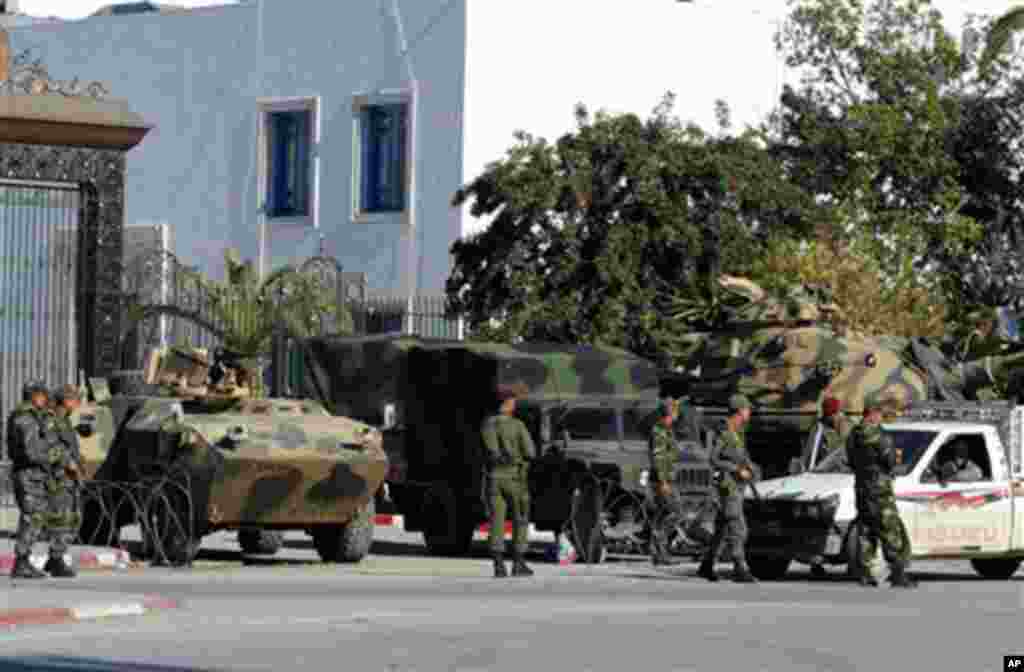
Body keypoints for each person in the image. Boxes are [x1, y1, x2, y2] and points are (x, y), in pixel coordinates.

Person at [7, 381, 77, 579]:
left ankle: (38, 560)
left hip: (36, 475)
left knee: (41, 516)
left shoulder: (35, 416)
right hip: (28, 474)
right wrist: (58, 456)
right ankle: (21, 562)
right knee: (32, 517)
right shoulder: (25, 418)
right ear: (34, 396)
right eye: (42, 395)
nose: (46, 399)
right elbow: (33, 452)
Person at [845, 392, 916, 588]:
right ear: (874, 412)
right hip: (880, 490)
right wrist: (895, 457)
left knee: (866, 529)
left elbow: (850, 460)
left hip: (862, 488)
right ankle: (898, 573)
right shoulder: (879, 435)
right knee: (890, 529)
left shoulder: (853, 434)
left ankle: (865, 573)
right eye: (880, 412)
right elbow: (890, 460)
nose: (881, 416)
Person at [698, 393, 758, 583]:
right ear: (740, 411)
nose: (749, 413)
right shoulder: (723, 432)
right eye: (747, 409)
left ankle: (707, 565)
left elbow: (740, 457)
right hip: (728, 486)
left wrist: (750, 468)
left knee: (723, 529)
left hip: (736, 486)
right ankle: (739, 567)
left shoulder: (736, 432)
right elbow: (713, 458)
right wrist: (737, 470)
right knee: (738, 527)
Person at [481, 383, 536, 578]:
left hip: (494, 478)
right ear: (506, 404)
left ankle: (498, 565)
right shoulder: (517, 425)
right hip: (515, 479)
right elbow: (530, 452)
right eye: (512, 401)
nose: (514, 404)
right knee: (520, 520)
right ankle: (518, 563)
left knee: (496, 520)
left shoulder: (487, 424)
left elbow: (490, 451)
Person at [648, 398, 684, 566]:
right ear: (670, 413)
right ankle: (660, 549)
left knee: (662, 514)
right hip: (664, 480)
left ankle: (658, 553)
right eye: (675, 411)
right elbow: (659, 458)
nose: (677, 414)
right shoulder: (659, 431)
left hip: (667, 479)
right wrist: (663, 482)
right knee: (676, 513)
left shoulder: (666, 430)